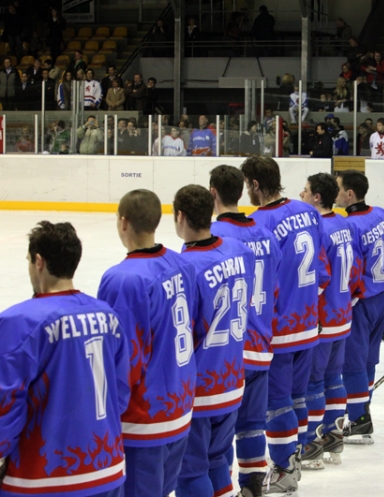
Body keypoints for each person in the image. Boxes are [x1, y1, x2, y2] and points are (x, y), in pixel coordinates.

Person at [0, 220, 130, 495]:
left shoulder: (19, 321)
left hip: (42, 478)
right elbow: (119, 392)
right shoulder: (108, 316)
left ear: (38, 261)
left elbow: (6, 403)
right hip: (107, 469)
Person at [96, 190, 197, 497]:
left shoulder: (123, 279)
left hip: (143, 420)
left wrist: (105, 418)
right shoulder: (182, 264)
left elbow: (122, 360)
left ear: (123, 222)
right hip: (179, 408)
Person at [241, 156, 330, 494]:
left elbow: (261, 285)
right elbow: (322, 268)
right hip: (308, 323)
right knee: (297, 397)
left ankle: (284, 469)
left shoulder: (257, 222)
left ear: (255, 185)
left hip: (277, 329)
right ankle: (296, 455)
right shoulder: (308, 212)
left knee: (276, 403)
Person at [171, 185, 253, 497]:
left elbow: (182, 333)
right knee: (218, 461)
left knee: (191, 472)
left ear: (180, 217)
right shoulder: (239, 252)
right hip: (232, 379)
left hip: (199, 388)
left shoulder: (186, 267)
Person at [206, 165, 279, 497]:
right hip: (262, 345)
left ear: (213, 193)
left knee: (217, 436)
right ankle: (252, 488)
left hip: (229, 351)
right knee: (252, 425)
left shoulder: (215, 237)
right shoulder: (264, 231)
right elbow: (275, 289)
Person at [334, 170, 384, 441]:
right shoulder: (383, 215)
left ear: (349, 194)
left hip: (361, 303)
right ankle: (363, 410)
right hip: (381, 299)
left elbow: (352, 271)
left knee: (352, 363)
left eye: (338, 188)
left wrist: (345, 304)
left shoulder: (350, 226)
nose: (334, 192)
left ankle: (359, 419)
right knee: (368, 360)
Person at [298, 173, 358, 469]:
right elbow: (355, 271)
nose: (301, 193)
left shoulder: (317, 226)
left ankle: (311, 443)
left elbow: (319, 278)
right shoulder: (344, 223)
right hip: (342, 314)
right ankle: (334, 437)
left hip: (322, 319)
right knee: (334, 378)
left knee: (314, 381)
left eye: (305, 190)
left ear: (316, 197)